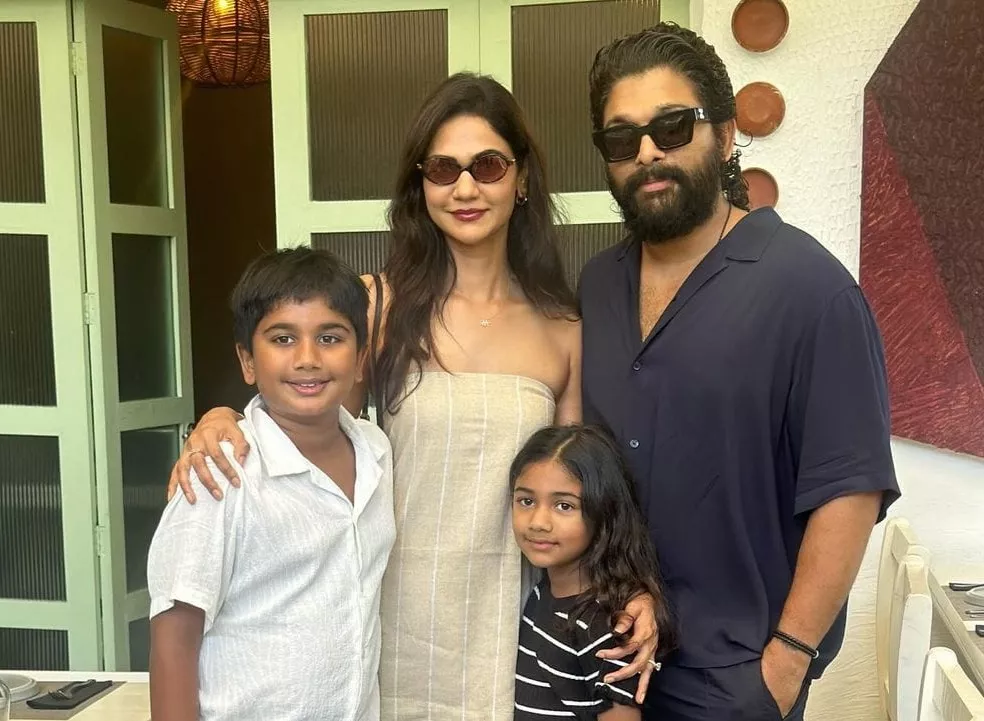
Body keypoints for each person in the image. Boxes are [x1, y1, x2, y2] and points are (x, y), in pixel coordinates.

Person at [165, 73, 659, 721]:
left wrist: (630, 591)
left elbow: (578, 498)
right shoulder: (379, 306)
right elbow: (303, 435)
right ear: (420, 186)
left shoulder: (562, 328)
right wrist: (223, 417)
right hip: (386, 615)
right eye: (443, 169)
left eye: (487, 166)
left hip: (510, 620)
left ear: (522, 179)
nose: (464, 188)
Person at [578, 23, 901, 720]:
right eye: (621, 138)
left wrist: (785, 663)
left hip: (730, 682)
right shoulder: (597, 286)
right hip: (602, 663)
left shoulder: (809, 289)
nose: (647, 152)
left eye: (672, 127)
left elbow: (850, 488)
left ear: (725, 136)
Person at [147, 248, 395, 721]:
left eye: (330, 338)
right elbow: (174, 636)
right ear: (247, 360)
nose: (308, 359)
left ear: (361, 358)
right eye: (283, 339)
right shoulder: (220, 474)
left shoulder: (377, 452)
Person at [510, 425, 676, 721]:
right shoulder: (538, 592)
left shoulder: (606, 629)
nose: (538, 522)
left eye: (564, 505)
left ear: (603, 512)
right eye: (527, 501)